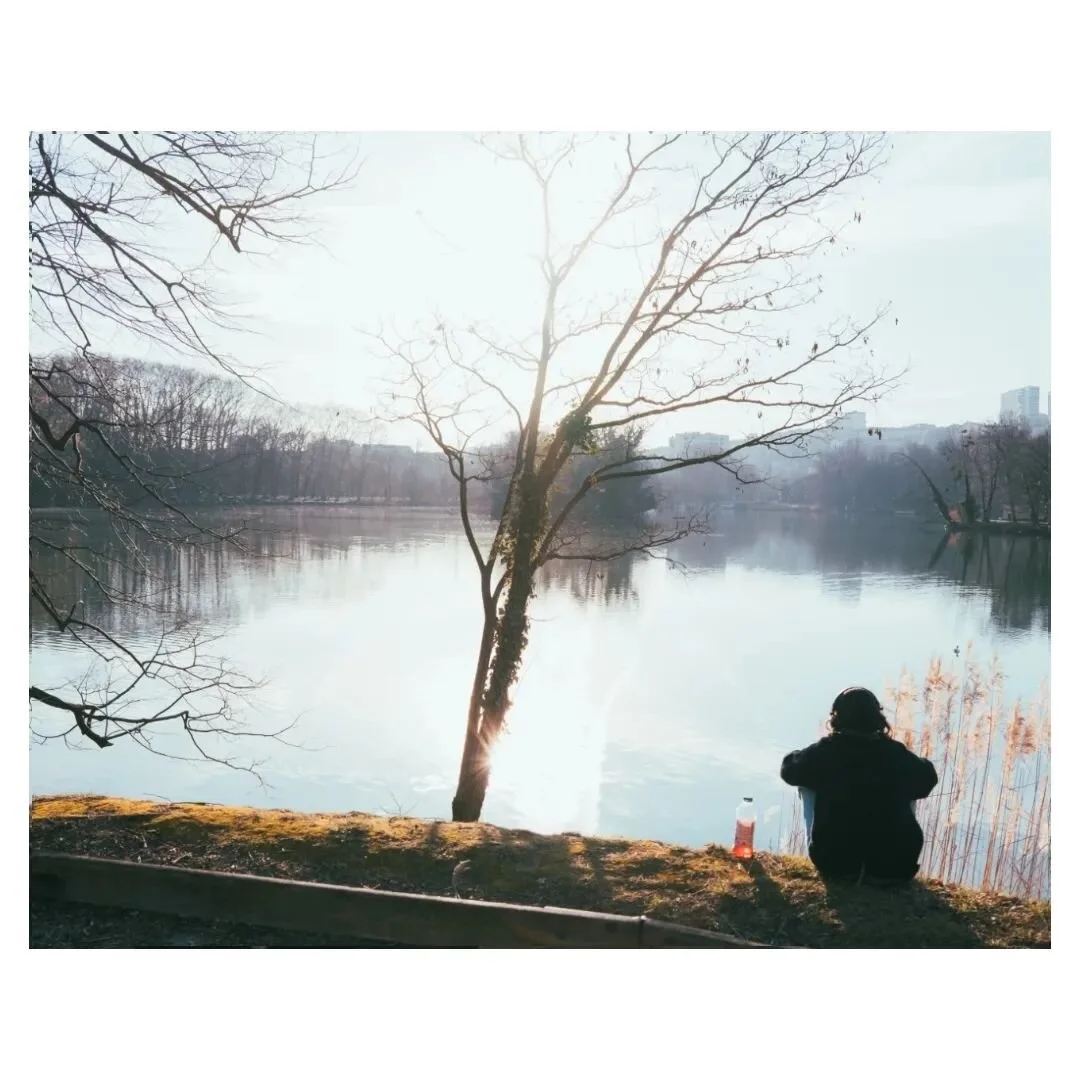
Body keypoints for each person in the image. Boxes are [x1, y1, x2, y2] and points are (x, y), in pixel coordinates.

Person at [781, 686, 938, 883]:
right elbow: (928, 778)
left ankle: (835, 855)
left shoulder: (825, 752)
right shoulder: (895, 754)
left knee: (806, 782)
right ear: (878, 718)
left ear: (836, 718)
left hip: (835, 864)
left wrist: (799, 753)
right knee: (911, 785)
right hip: (897, 867)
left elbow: (789, 770)